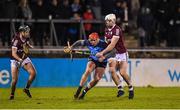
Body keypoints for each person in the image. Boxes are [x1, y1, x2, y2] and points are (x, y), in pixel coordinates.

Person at [96, 14, 134, 99]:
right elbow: (107, 43)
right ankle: (120, 89)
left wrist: (102, 53)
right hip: (114, 54)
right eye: (106, 21)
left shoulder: (117, 30)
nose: (107, 22)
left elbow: (112, 45)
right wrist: (100, 51)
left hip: (122, 53)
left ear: (113, 21)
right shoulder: (106, 30)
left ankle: (131, 88)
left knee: (122, 73)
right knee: (112, 70)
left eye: (108, 20)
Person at [65, 32, 112, 99]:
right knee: (88, 71)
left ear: (98, 39)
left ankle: (84, 92)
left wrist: (104, 57)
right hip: (93, 59)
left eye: (94, 40)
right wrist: (71, 47)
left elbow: (112, 52)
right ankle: (78, 90)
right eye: (90, 40)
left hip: (102, 62)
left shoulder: (103, 44)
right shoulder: (88, 42)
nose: (92, 42)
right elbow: (79, 42)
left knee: (97, 79)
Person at [9, 25, 36, 100]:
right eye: (26, 32)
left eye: (28, 32)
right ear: (22, 32)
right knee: (15, 80)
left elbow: (26, 43)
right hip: (15, 59)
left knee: (33, 73)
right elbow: (13, 54)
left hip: (23, 57)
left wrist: (29, 46)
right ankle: (12, 94)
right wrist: (19, 60)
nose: (28, 33)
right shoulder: (16, 40)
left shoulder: (27, 37)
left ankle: (26, 89)